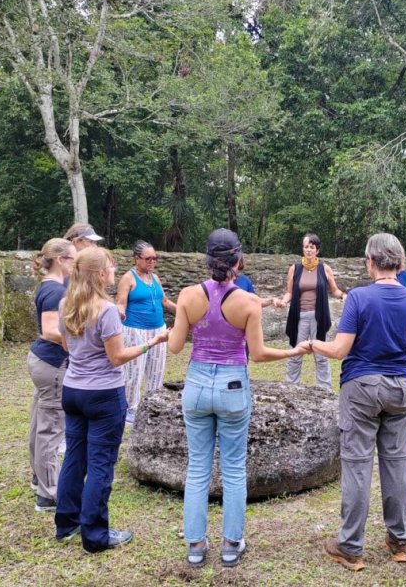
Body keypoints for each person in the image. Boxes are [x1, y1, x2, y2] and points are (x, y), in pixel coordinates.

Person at [168, 229, 309, 569]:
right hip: (232, 384)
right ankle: (231, 543)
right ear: (237, 259)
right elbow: (257, 354)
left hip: (197, 383)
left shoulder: (188, 295)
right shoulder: (247, 302)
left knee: (198, 467)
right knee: (233, 468)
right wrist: (293, 350)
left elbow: (174, 346)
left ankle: (196, 544)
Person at [311, 233, 406, 572]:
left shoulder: (359, 298)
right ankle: (399, 541)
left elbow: (339, 350)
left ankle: (350, 547)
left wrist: (312, 343)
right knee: (397, 465)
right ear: (400, 263)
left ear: (370, 262)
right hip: (401, 388)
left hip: (361, 387)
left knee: (358, 466)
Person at [55, 247, 169, 553]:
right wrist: (152, 343)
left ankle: (66, 524)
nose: (114, 271)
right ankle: (95, 535)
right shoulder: (104, 310)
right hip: (103, 394)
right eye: (110, 267)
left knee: (74, 458)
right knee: (101, 464)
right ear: (99, 274)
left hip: (73, 391)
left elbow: (67, 346)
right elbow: (117, 357)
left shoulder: (66, 303)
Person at [27, 238, 76, 512]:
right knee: (50, 427)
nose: (75, 264)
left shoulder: (48, 287)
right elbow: (49, 331)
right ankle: (49, 493)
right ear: (59, 259)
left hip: (43, 361)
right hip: (52, 364)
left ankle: (39, 479)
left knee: (40, 422)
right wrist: (80, 335)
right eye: (72, 259)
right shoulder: (56, 291)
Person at [115, 240, 177, 424]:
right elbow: (120, 303)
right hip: (135, 330)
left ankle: (152, 405)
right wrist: (118, 313)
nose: (152, 262)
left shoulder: (155, 278)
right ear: (137, 259)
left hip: (158, 329)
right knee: (134, 371)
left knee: (156, 370)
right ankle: (130, 409)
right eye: (148, 258)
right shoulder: (128, 278)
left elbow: (165, 302)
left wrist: (186, 312)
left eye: (154, 258)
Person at [277, 233, 346, 391]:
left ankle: (324, 390)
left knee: (321, 355)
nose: (309, 250)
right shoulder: (294, 269)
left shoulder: (324, 268)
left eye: (312, 247)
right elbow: (289, 293)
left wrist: (343, 296)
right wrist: (283, 301)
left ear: (317, 250)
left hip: (318, 317)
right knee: (295, 354)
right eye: (306, 247)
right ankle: (291, 387)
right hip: (299, 317)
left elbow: (335, 290)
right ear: (303, 249)